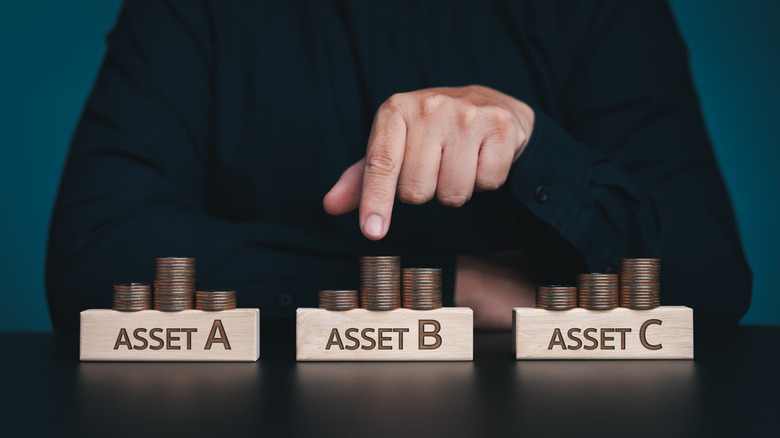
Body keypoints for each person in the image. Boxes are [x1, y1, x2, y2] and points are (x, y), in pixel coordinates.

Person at [46, 0, 751, 334]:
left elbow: (710, 280)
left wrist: (535, 157)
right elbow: (95, 255)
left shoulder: (602, 13)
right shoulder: (190, 12)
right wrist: (449, 285)